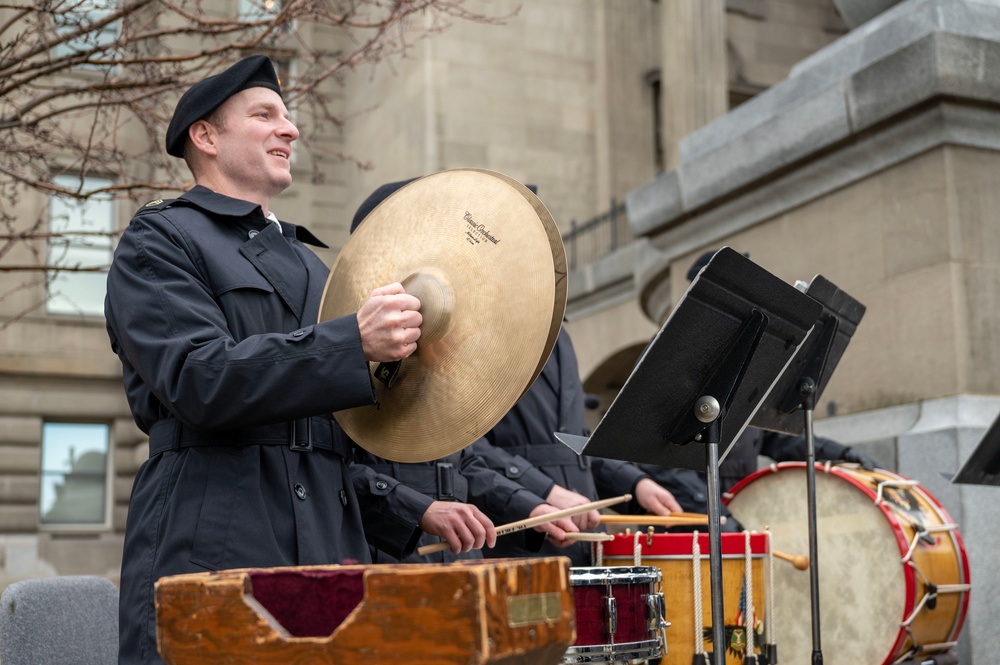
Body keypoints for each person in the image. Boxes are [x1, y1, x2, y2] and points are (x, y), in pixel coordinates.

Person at [104, 56, 423, 664]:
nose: (291, 128)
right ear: (206, 136)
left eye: (288, 115)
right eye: (264, 114)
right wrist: (349, 343)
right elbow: (201, 380)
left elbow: (330, 441)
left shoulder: (312, 265)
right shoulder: (160, 240)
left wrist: (416, 509)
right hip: (218, 546)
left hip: (331, 557)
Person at [347, 180, 579, 562]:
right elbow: (330, 470)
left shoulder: (442, 346)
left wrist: (530, 507)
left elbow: (463, 461)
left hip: (461, 562)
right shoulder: (343, 341)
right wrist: (418, 509)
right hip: (386, 561)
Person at [638, 250, 877, 526]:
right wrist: (718, 515)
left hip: (736, 520)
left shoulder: (750, 356)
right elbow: (654, 454)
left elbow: (774, 435)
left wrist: (840, 454)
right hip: (685, 528)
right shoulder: (671, 348)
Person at [478, 326, 685, 566]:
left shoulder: (560, 335)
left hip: (588, 546)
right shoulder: (483, 329)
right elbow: (467, 450)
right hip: (521, 550)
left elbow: (573, 446)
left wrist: (635, 483)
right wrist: (546, 491)